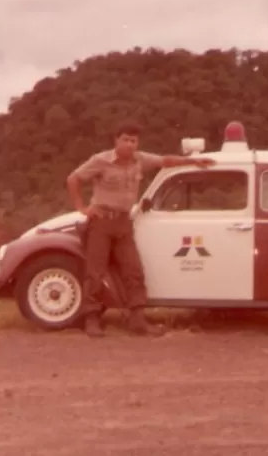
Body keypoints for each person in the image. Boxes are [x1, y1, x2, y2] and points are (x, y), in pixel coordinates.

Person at [66, 119, 215, 337]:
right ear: (116, 140)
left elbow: (165, 161)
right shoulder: (101, 160)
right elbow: (73, 179)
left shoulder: (140, 160)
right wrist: (82, 207)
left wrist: (193, 161)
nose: (130, 145)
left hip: (124, 223)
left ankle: (137, 320)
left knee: (133, 271)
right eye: (126, 140)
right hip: (101, 222)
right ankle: (91, 320)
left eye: (134, 141)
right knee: (95, 272)